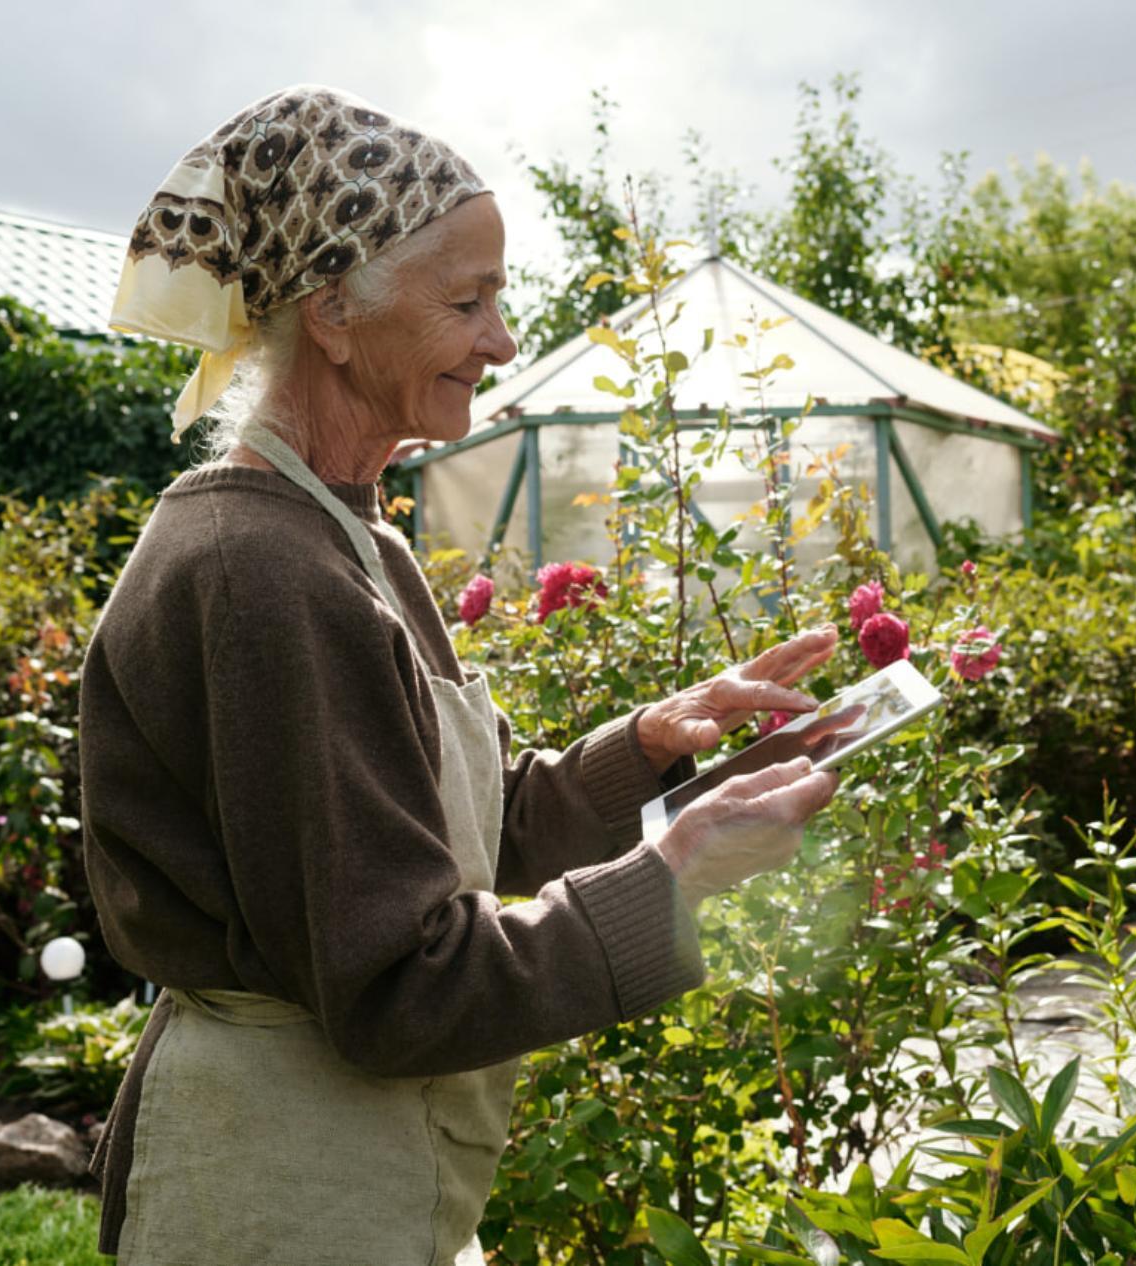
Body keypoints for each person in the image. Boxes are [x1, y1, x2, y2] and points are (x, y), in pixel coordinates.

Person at [80, 84, 839, 1265]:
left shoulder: (348, 534)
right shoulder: (263, 572)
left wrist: (649, 747)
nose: (500, 339)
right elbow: (396, 984)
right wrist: (671, 877)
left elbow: (428, 842)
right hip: (281, 1187)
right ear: (333, 309)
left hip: (347, 1162)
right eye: (465, 301)